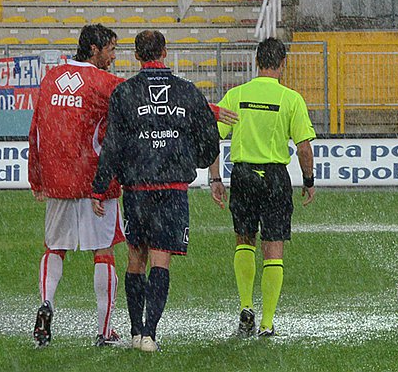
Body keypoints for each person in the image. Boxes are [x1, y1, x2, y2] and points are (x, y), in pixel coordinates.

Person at [91, 30, 220, 352]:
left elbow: (112, 144)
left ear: (136, 55)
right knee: (161, 260)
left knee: (136, 258)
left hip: (136, 188)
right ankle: (149, 334)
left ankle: (135, 332)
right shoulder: (187, 91)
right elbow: (210, 138)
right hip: (172, 189)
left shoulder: (125, 93)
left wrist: (99, 186)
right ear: (164, 51)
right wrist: (195, 160)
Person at [208, 37, 316, 338]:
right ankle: (267, 323)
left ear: (257, 62)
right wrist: (308, 181)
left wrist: (215, 178)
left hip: (242, 175)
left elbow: (211, 137)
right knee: (273, 248)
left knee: (244, 240)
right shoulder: (290, 99)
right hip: (275, 178)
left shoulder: (237, 95)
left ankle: (246, 305)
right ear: (282, 64)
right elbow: (304, 147)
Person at [28, 24, 126, 348]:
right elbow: (140, 103)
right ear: (95, 49)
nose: (113, 57)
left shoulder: (51, 77)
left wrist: (37, 177)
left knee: (54, 247)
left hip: (58, 179)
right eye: (111, 50)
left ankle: (46, 304)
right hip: (95, 180)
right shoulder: (103, 82)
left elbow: (36, 130)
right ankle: (104, 329)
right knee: (104, 252)